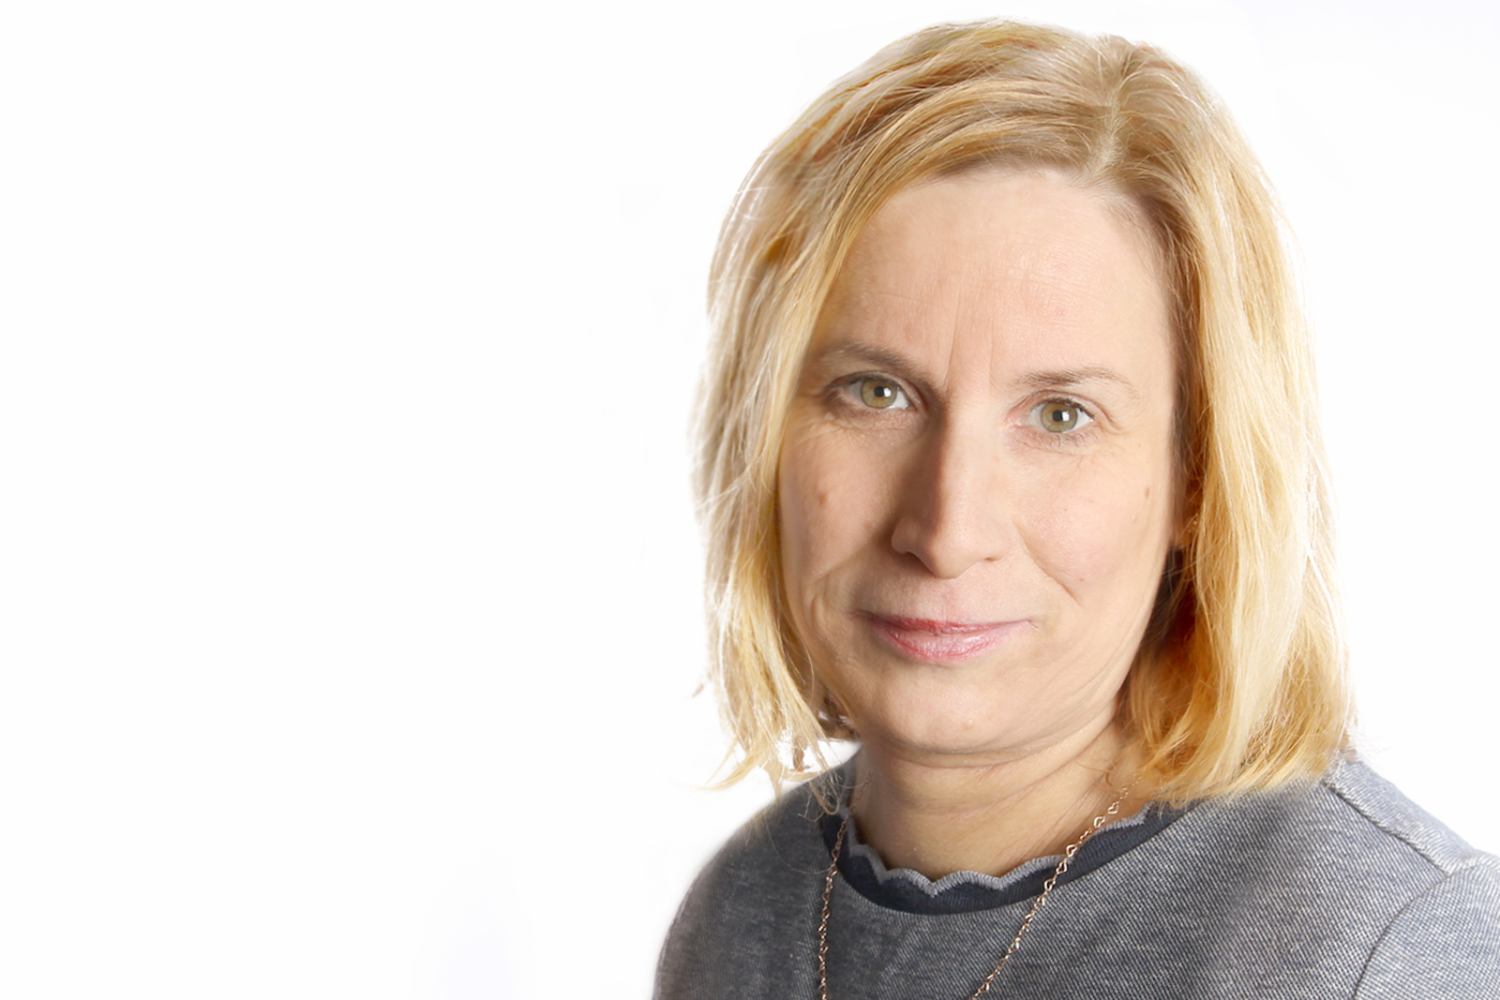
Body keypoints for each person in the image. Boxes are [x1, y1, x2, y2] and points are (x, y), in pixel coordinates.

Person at [654, 17, 1500, 999]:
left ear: (1198, 477)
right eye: (876, 392)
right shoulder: (741, 911)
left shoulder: (1384, 952)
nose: (947, 530)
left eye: (1061, 415)